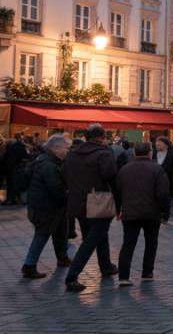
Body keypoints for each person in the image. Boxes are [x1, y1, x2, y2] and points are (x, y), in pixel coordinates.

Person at [64, 124, 118, 293]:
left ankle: (106, 265)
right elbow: (110, 176)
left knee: (96, 235)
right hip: (98, 200)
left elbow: (64, 174)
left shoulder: (72, 154)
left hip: (78, 202)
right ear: (102, 137)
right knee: (91, 240)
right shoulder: (103, 153)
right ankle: (72, 276)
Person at [115, 141, 170, 286]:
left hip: (130, 212)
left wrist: (118, 209)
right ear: (150, 152)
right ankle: (147, 272)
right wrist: (165, 212)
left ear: (134, 153)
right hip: (152, 213)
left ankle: (123, 276)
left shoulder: (124, 169)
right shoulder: (157, 169)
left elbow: (118, 192)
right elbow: (163, 193)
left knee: (128, 244)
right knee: (151, 243)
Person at [22, 134, 71, 278]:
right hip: (45, 207)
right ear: (55, 148)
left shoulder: (47, 160)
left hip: (51, 206)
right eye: (66, 148)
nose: (67, 151)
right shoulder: (48, 165)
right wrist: (67, 195)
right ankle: (29, 265)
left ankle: (63, 258)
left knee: (61, 232)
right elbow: (55, 188)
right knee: (42, 235)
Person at [154, 137, 173, 221]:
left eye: (159, 144)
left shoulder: (172, 155)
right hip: (155, 182)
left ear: (166, 145)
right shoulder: (153, 154)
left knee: (166, 200)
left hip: (169, 182)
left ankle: (165, 216)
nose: (157, 146)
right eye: (156, 144)